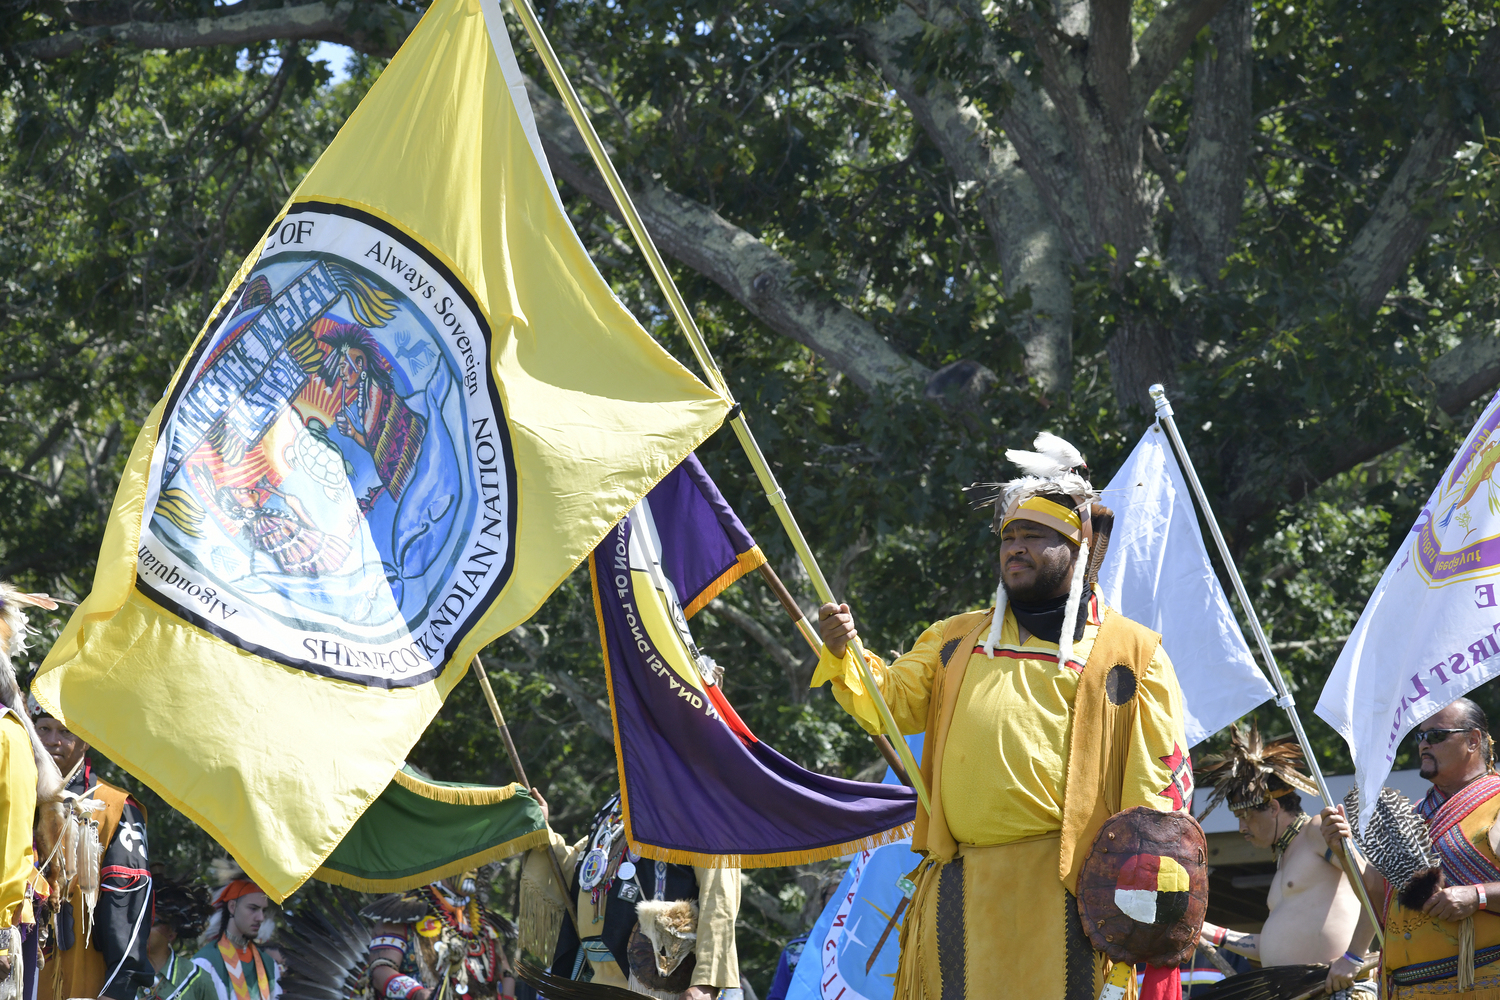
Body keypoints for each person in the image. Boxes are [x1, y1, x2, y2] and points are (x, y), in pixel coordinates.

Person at [814, 433, 1191, 999]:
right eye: (1007, 537)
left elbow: (1156, 786)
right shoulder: (954, 640)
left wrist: (1143, 893)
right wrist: (846, 651)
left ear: (1078, 547)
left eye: (1034, 537)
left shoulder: (1131, 653)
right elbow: (889, 703)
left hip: (1070, 891)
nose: (1015, 548)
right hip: (962, 887)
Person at [1323, 697, 1500, 998]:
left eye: (1436, 735)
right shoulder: (1414, 816)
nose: (1423, 745)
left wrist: (1477, 896)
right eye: (1420, 736)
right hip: (1406, 989)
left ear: (1473, 740)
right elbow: (1379, 899)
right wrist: (1345, 849)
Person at [1195, 722, 1376, 997]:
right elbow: (1271, 945)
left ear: (1274, 808)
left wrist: (1354, 958)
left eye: (1247, 817)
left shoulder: (1317, 830)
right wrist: (1208, 932)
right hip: (1295, 990)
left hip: (1337, 988)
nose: (1242, 828)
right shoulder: (1284, 859)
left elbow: (1373, 887)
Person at [520, 790, 743, 999]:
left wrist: (706, 982)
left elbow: (719, 899)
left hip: (656, 985)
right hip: (595, 982)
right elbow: (582, 873)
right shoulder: (617, 806)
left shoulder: (700, 805)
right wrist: (541, 829)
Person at [29, 696, 153, 1000]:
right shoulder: (13, 798)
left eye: (66, 732)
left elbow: (128, 909)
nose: (53, 741)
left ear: (87, 741)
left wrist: (118, 990)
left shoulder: (114, 808)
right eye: (43, 728)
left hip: (81, 983)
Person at [361, 869, 515, 1000]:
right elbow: (380, 970)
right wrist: (418, 994)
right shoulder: (403, 911)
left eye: (476, 863)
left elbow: (506, 973)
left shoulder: (484, 921)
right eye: (465, 862)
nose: (473, 869)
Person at [178, 864, 278, 1000]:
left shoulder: (270, 966)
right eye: (253, 909)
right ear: (232, 907)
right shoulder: (204, 963)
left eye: (263, 911)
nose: (261, 918)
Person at [140, 874, 211, 1000]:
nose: (141, 928)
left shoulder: (196, 978)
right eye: (138, 920)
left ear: (172, 932)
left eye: (151, 921)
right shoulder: (121, 972)